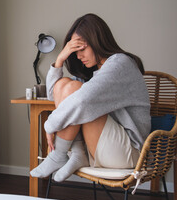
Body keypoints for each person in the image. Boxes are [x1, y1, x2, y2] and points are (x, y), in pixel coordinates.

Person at [30, 13, 151, 182]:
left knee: (75, 91)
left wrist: (49, 125)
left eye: (81, 49)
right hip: (103, 146)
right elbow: (54, 94)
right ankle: (77, 153)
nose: (78, 56)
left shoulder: (120, 63)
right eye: (75, 51)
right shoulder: (96, 73)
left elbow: (82, 100)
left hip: (129, 153)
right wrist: (59, 59)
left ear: (97, 41)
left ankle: (59, 154)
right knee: (64, 84)